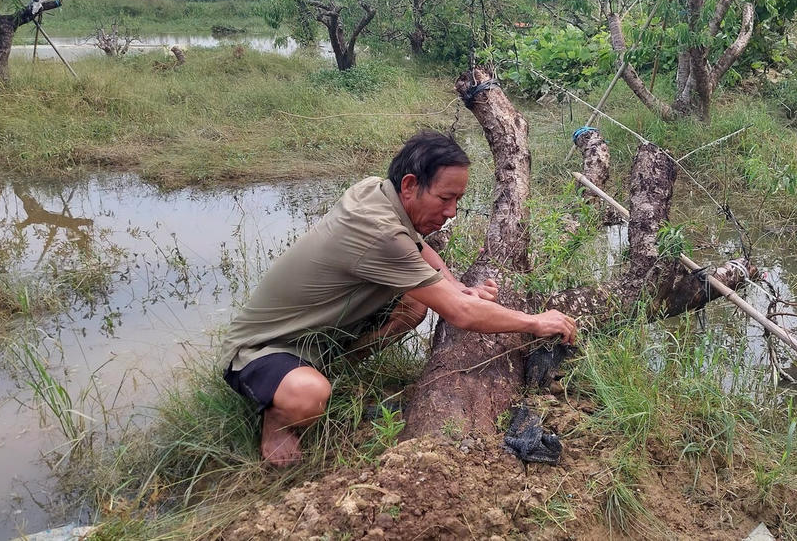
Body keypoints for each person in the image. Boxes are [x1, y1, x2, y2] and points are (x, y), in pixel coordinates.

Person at [220, 130, 578, 465]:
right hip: (264, 347)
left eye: (459, 200)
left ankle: (333, 368)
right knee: (307, 397)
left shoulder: (376, 190)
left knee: (414, 304)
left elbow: (418, 248)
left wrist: (457, 287)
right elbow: (461, 315)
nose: (452, 211)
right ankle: (277, 423)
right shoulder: (377, 231)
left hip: (318, 335)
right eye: (445, 198)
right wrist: (534, 322)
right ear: (409, 185)